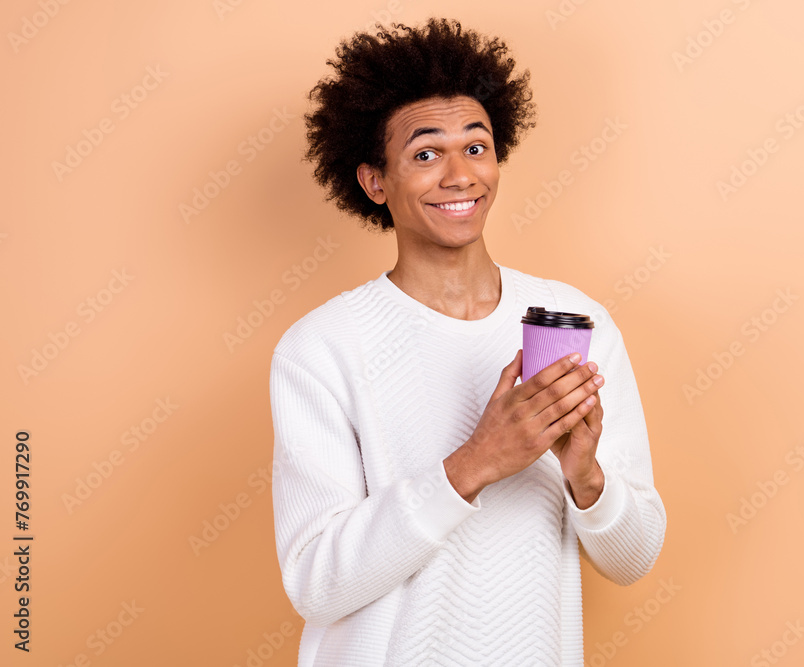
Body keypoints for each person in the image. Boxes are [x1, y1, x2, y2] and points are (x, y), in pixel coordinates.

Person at [269, 17, 666, 666]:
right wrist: (478, 461)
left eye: (476, 147)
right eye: (426, 154)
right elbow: (316, 580)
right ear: (375, 180)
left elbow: (634, 558)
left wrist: (586, 476)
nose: (460, 175)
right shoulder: (320, 348)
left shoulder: (575, 322)